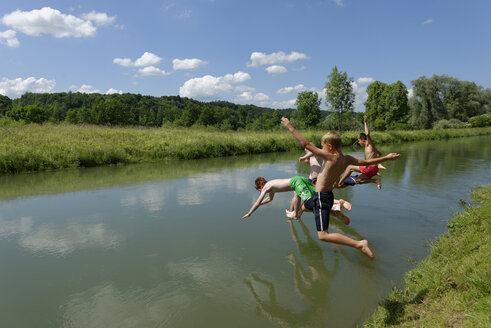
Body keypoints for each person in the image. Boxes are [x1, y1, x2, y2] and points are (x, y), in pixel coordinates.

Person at [281, 117, 400, 260]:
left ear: (329, 147)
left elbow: (305, 144)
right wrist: (386, 158)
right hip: (325, 195)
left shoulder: (330, 157)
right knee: (305, 205)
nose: (321, 148)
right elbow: (368, 162)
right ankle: (330, 211)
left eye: (322, 145)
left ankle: (359, 244)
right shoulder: (347, 159)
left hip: (321, 197)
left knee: (323, 235)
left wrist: (290, 127)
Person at [286, 149, 352, 224]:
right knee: (315, 201)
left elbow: (311, 151)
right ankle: (336, 206)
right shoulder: (321, 158)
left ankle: (294, 213)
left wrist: (304, 157)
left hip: (314, 181)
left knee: (306, 202)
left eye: (306, 150)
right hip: (320, 181)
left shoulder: (315, 153)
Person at [338, 115, 386, 189]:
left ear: (363, 140)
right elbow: (379, 154)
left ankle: (340, 182)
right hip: (373, 169)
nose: (359, 142)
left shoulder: (368, 143)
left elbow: (367, 134)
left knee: (350, 168)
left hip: (370, 168)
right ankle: (375, 180)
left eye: (359, 141)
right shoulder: (372, 147)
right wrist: (377, 165)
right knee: (358, 181)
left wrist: (365, 122)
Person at [241, 176, 315, 219]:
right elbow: (270, 199)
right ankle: (296, 213)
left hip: (296, 183)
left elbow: (256, 203)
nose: (260, 191)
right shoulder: (270, 185)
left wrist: (249, 213)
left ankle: (295, 213)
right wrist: (261, 203)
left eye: (259, 190)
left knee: (308, 200)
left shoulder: (265, 187)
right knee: (316, 195)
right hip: (301, 179)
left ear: (260, 186)